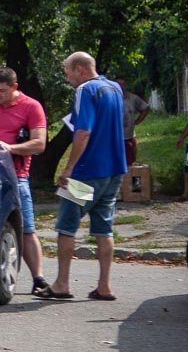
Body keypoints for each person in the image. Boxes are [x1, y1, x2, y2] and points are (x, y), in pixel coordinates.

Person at [38, 52, 127, 302]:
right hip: (114, 170)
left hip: (86, 173)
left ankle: (62, 284)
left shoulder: (86, 90)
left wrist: (68, 168)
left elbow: (83, 132)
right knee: (104, 228)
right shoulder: (114, 88)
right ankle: (105, 286)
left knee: (66, 227)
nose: (68, 80)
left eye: (68, 73)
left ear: (79, 69)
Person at [0, 67, 49, 293]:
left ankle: (38, 279)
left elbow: (39, 143)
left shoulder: (31, 107)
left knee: (26, 228)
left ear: (15, 87)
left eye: (2, 91)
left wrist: (11, 149)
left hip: (16, 177)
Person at [115, 77, 150, 165]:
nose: (121, 87)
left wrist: (137, 121)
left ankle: (129, 178)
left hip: (128, 137)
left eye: (123, 84)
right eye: (118, 84)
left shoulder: (132, 98)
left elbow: (145, 108)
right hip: (114, 138)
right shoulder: (110, 98)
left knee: (129, 163)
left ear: (126, 85)